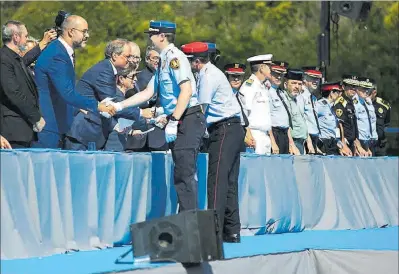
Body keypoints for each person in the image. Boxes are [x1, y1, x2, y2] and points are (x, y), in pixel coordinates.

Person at [112, 20, 206, 212]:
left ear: (162, 36)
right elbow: (147, 92)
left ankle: (193, 227)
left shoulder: (174, 58)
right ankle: (187, 223)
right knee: (180, 174)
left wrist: (173, 120)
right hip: (180, 118)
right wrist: (120, 104)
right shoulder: (164, 60)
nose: (150, 38)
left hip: (187, 118)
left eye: (151, 35)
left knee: (184, 174)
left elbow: (186, 91)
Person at [182, 42, 244, 243]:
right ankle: (231, 230)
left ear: (197, 62)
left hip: (224, 128)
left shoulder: (208, 76)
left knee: (217, 180)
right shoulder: (212, 72)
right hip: (232, 128)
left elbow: (202, 108)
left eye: (190, 62)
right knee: (229, 180)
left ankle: (212, 232)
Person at [34, 14, 115, 148]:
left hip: (58, 125)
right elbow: (68, 93)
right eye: (84, 31)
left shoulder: (63, 51)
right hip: (49, 127)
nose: (87, 35)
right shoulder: (57, 54)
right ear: (71, 31)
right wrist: (97, 105)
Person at [65, 39, 141, 150]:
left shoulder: (109, 70)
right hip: (82, 132)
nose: (130, 60)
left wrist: (116, 126)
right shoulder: (105, 71)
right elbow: (111, 103)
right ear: (115, 55)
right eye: (127, 56)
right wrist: (141, 113)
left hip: (89, 133)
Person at [0, 20, 51, 148]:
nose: (27, 39)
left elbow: (25, 60)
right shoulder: (4, 59)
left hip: (22, 129)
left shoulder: (14, 58)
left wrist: (42, 44)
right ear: (16, 37)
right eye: (26, 36)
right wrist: (35, 117)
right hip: (12, 131)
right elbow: (13, 92)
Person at [239, 54, 273, 154]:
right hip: (254, 135)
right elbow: (243, 112)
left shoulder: (262, 86)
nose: (271, 69)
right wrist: (248, 135)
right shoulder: (250, 85)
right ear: (262, 68)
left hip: (264, 135)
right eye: (269, 66)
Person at [316, 82, 349, 155]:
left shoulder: (332, 107)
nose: (340, 95)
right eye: (338, 92)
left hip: (333, 142)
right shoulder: (320, 105)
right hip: (323, 143)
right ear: (331, 93)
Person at [280, 69, 308, 154]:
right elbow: (286, 125)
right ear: (285, 84)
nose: (297, 86)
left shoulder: (299, 100)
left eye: (299, 84)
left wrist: (308, 141)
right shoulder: (283, 99)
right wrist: (291, 144)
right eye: (293, 83)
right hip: (292, 142)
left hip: (301, 142)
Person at [333, 75, 362, 156]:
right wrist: (343, 144)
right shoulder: (340, 102)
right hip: (344, 143)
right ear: (343, 87)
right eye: (351, 86)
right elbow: (339, 124)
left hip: (352, 143)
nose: (354, 89)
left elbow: (354, 125)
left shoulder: (351, 102)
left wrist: (357, 144)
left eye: (355, 86)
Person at [268, 61, 292, 154]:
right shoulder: (267, 92)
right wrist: (273, 142)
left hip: (284, 134)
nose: (279, 77)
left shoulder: (281, 93)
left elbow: (286, 121)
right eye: (276, 74)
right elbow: (267, 118)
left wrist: (291, 143)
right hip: (275, 134)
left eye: (281, 75)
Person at [298, 66, 322, 154]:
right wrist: (309, 141)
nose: (315, 81)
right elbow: (302, 119)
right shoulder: (301, 96)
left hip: (314, 137)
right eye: (312, 78)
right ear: (304, 79)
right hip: (306, 137)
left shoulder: (314, 98)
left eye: (318, 79)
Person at [369, 79, 390, 156]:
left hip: (380, 145)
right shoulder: (360, 104)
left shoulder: (384, 106)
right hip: (365, 144)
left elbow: (386, 123)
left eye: (368, 91)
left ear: (374, 92)